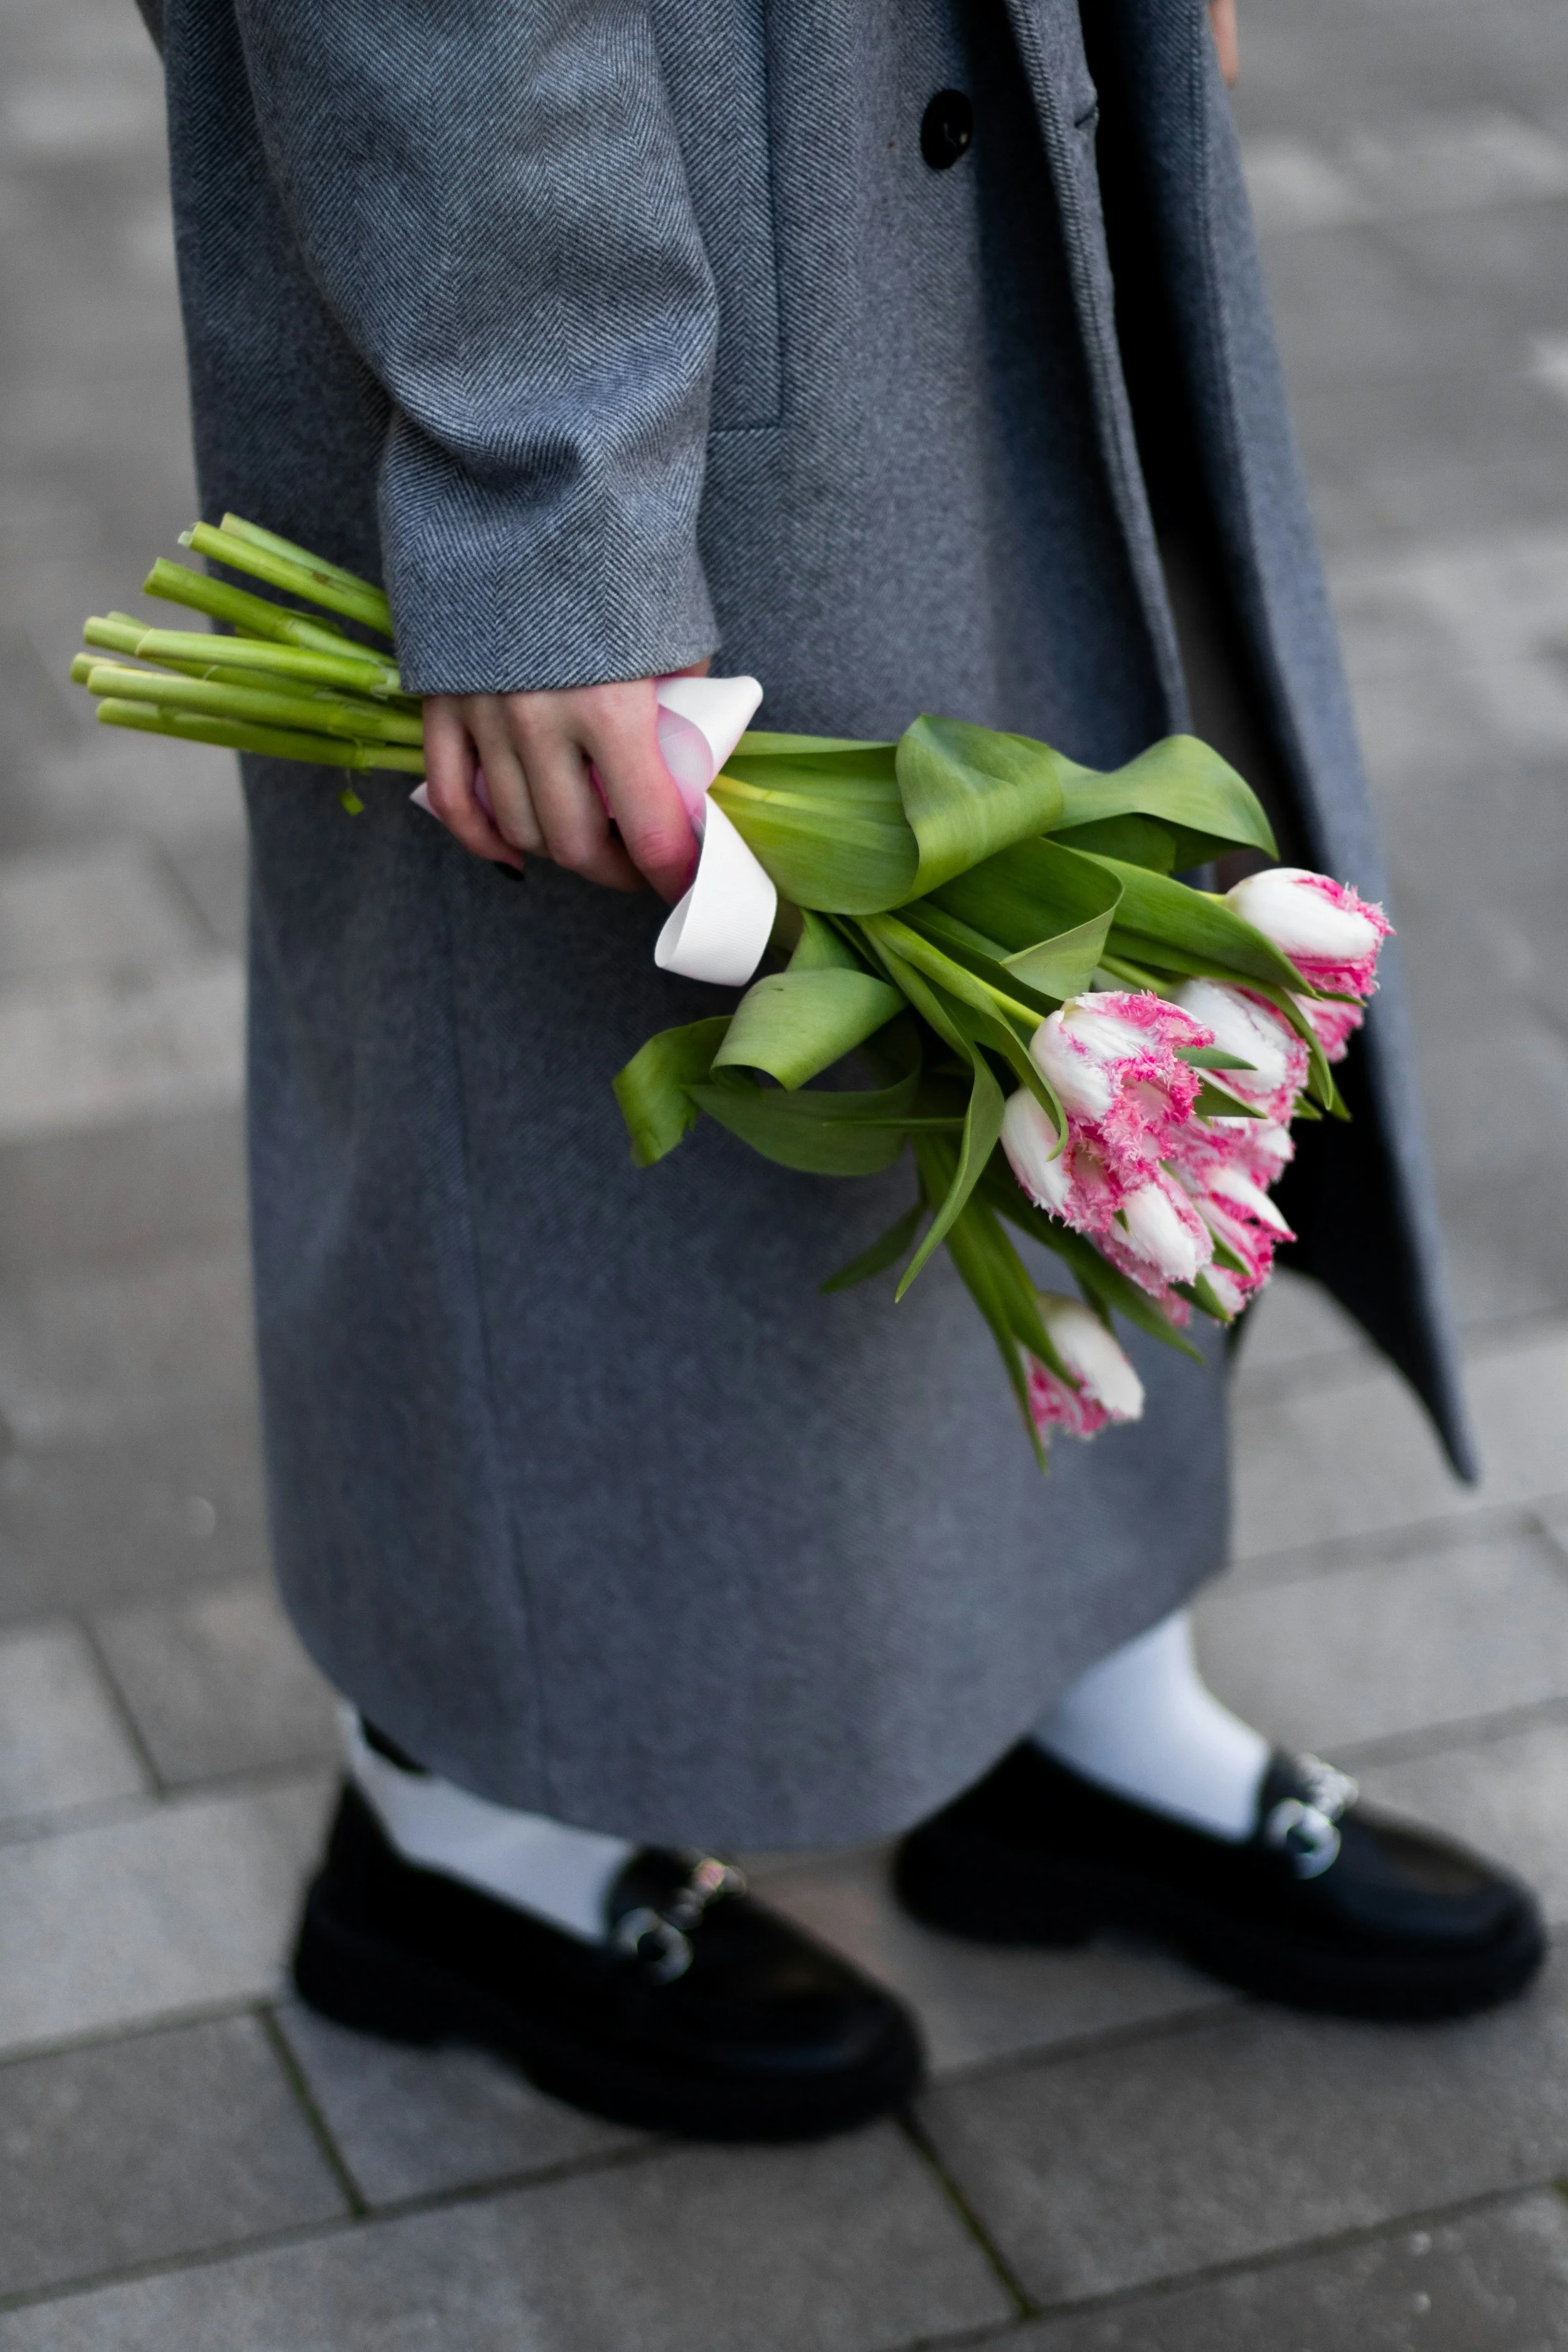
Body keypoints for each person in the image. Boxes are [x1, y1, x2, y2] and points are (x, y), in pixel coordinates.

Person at [134, 0, 1544, 2141]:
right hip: (637, 181)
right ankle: (463, 1842)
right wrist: (544, 475)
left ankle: (1069, 1713)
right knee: (566, 1022)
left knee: (1058, 868)